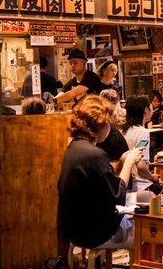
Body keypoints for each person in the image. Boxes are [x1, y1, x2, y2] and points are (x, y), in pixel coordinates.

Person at [57, 95, 144, 250]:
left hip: (77, 229)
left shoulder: (75, 147)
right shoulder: (94, 154)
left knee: (146, 197)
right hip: (96, 233)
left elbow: (104, 183)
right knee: (152, 230)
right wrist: (129, 162)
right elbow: (118, 195)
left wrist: (122, 162)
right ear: (100, 124)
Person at [122, 95, 163, 194]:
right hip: (141, 185)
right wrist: (151, 176)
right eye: (150, 107)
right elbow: (141, 165)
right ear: (145, 110)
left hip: (127, 185)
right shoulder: (143, 133)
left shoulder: (123, 130)